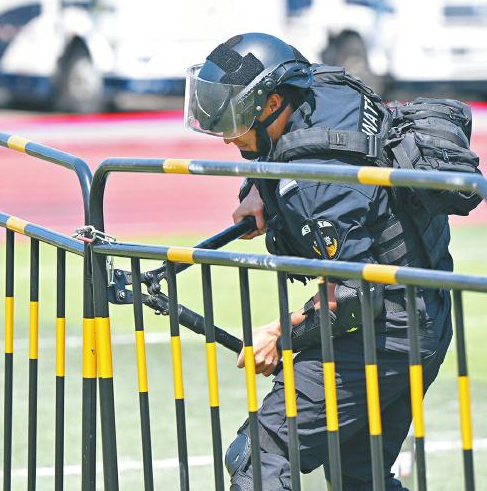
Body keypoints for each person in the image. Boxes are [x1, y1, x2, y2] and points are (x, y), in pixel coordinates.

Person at [184, 33, 457, 491]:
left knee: (260, 458)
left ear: (273, 102)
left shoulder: (317, 185)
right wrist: (259, 189)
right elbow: (284, 150)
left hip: (381, 333)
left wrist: (279, 334)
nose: (227, 136)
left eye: (234, 120)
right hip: (424, 315)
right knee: (359, 479)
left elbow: (351, 297)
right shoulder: (321, 88)